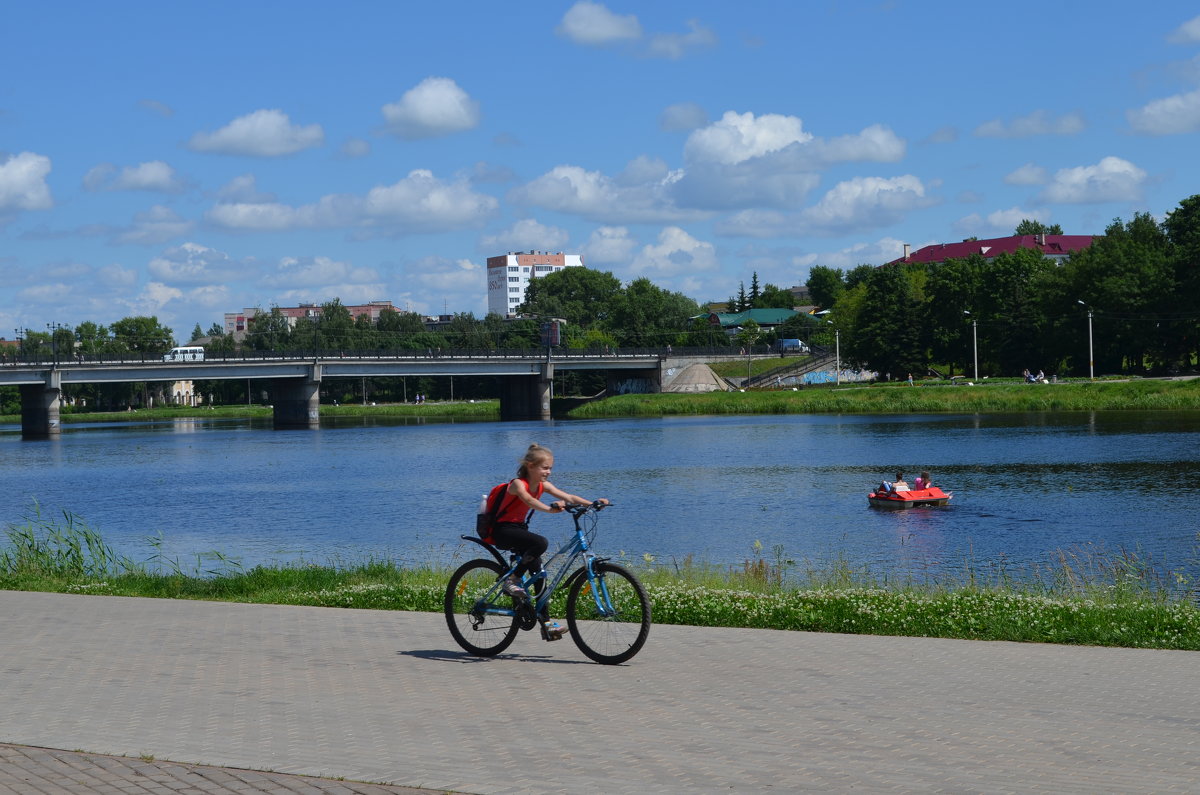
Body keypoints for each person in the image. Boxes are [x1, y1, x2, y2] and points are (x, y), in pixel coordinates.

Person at [492, 443, 609, 639]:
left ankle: (546, 624)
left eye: (550, 468)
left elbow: (569, 496)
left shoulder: (543, 486)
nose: (548, 472)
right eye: (544, 467)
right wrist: (549, 509)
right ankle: (511, 580)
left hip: (519, 530)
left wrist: (593, 503)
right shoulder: (518, 484)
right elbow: (529, 501)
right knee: (541, 543)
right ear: (530, 466)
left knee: (539, 575)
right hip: (503, 530)